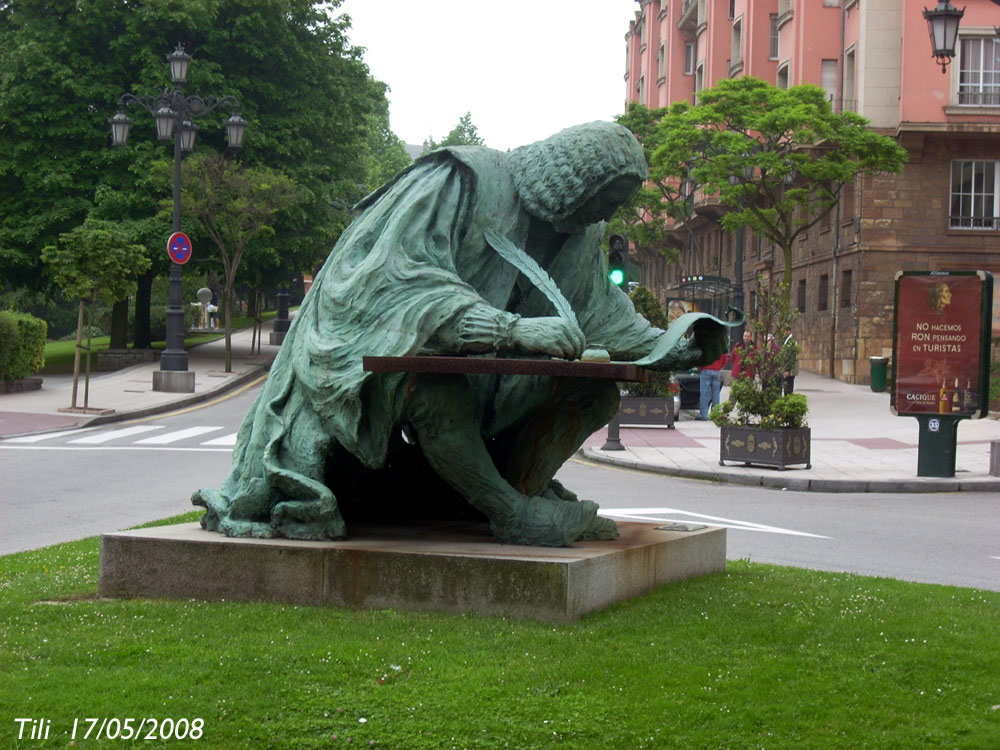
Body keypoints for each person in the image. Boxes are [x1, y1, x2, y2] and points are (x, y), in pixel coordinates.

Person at [192, 122, 733, 547]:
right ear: (575, 181)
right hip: (378, 351)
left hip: (486, 373)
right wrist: (513, 330)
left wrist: (672, 346)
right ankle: (510, 513)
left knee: (593, 392)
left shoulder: (577, 232)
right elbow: (394, 280)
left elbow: (598, 313)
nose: (605, 215)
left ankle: (513, 492)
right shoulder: (462, 179)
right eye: (603, 200)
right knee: (434, 390)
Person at [698, 351, 728, 420]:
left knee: (704, 394)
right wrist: (719, 367)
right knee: (716, 394)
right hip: (717, 371)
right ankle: (715, 414)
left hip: (706, 369)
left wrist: (700, 368)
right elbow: (725, 359)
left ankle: (704, 415)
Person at [780, 326, 799, 395]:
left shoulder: (791, 342)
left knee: (788, 389)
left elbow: (791, 357)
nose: (783, 333)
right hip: (786, 369)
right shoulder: (786, 340)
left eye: (785, 331)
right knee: (786, 388)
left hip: (789, 370)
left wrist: (787, 370)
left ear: (789, 331)